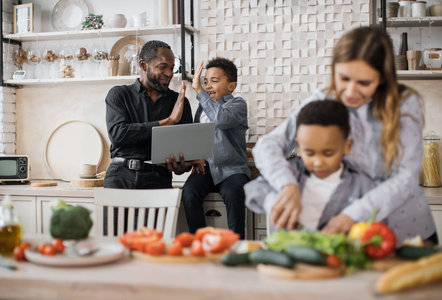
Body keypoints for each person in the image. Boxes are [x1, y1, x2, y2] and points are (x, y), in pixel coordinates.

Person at [252, 26, 437, 245]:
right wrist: (287, 184)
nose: (350, 92)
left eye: (364, 83)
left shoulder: (404, 104)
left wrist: (352, 215)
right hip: (351, 232)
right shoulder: (324, 98)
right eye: (344, 78)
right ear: (334, 72)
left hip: (405, 231)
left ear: (383, 78)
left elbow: (406, 179)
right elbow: (267, 145)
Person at [245, 100, 375, 232]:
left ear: (347, 147)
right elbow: (254, 189)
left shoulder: (361, 184)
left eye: (328, 153)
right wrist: (272, 201)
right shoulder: (292, 172)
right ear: (299, 144)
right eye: (309, 153)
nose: (318, 163)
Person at [104, 40, 196, 189]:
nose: (169, 73)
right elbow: (118, 135)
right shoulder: (119, 94)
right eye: (163, 67)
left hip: (159, 178)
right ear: (143, 65)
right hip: (121, 175)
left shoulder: (179, 102)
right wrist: (169, 121)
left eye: (172, 68)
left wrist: (181, 167)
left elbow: (185, 153)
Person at [181, 58, 251, 238]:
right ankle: (202, 241)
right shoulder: (202, 108)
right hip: (206, 169)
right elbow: (197, 136)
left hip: (232, 170)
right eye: (205, 82)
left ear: (231, 86)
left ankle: (236, 244)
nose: (207, 86)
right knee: (188, 193)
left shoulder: (237, 105)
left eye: (214, 81)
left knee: (234, 193)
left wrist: (198, 90)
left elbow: (221, 119)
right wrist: (196, 157)